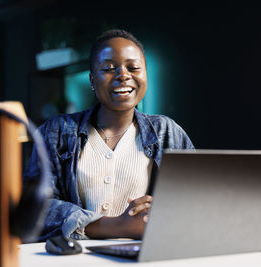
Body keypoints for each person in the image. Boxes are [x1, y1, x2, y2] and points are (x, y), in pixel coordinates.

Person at [24, 29, 194, 241]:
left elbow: (194, 201)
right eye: (109, 68)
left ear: (145, 76)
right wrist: (117, 226)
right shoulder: (57, 130)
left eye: (133, 67)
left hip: (139, 257)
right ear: (92, 80)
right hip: (73, 258)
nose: (123, 75)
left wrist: (161, 212)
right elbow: (37, 207)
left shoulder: (167, 131)